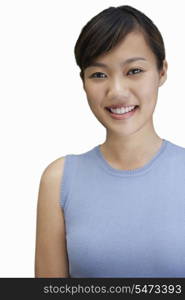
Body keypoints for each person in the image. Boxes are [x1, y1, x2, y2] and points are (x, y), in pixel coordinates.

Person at [34, 5, 185, 278]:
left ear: (162, 71)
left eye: (134, 71)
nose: (116, 91)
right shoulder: (59, 180)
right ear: (83, 83)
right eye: (99, 75)